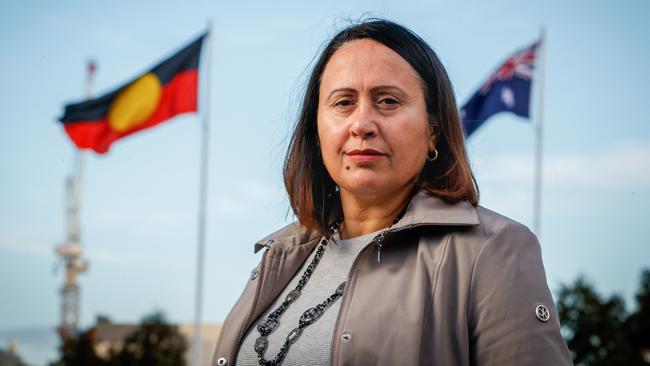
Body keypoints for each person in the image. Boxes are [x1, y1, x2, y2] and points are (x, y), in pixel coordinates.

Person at [212, 19, 572, 366]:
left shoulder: (494, 249)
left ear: (434, 131)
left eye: (388, 101)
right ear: (316, 130)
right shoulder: (280, 257)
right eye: (343, 102)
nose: (362, 124)